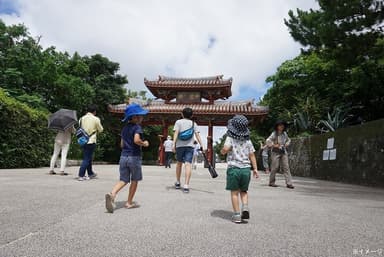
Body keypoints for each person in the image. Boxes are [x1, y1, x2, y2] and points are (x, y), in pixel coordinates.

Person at [105, 104, 149, 213]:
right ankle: (129, 202)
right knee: (134, 180)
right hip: (134, 157)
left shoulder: (124, 128)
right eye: (140, 115)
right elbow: (136, 140)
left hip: (123, 157)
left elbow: (121, 144)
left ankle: (112, 194)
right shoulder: (137, 127)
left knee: (123, 180)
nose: (142, 118)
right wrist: (144, 143)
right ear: (135, 117)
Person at [221, 115, 259, 223]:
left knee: (234, 192)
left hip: (234, 169)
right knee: (244, 191)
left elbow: (225, 149)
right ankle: (245, 206)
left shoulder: (230, 138)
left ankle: (237, 215)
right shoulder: (248, 141)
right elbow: (252, 155)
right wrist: (255, 169)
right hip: (246, 169)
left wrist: (223, 151)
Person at [172, 107, 204, 193]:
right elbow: (197, 135)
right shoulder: (194, 123)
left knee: (179, 163)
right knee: (188, 164)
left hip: (179, 146)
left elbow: (176, 133)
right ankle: (186, 185)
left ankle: (178, 182)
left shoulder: (178, 122)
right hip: (190, 146)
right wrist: (202, 145)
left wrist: (173, 144)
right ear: (192, 115)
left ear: (182, 114)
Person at [77, 104, 103, 181]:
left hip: (83, 140)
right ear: (94, 111)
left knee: (88, 157)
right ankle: (81, 175)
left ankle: (90, 173)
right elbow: (101, 129)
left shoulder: (81, 118)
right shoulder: (96, 119)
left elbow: (79, 128)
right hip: (91, 140)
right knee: (87, 158)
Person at [266, 120, 294, 189]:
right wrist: (274, 145)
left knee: (286, 167)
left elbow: (288, 140)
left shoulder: (285, 133)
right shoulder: (274, 133)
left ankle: (289, 183)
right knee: (275, 167)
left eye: (282, 125)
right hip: (275, 152)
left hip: (283, 151)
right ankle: (271, 182)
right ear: (277, 126)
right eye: (280, 125)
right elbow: (268, 140)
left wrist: (287, 143)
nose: (281, 126)